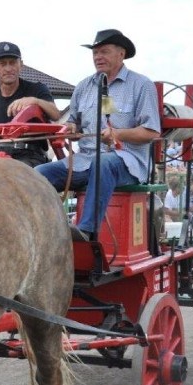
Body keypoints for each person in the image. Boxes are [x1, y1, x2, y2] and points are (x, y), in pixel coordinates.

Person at [35, 29, 161, 239]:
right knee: (39, 173)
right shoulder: (83, 86)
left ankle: (86, 231)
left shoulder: (141, 85)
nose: (97, 57)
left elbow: (151, 132)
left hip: (128, 161)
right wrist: (72, 130)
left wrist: (117, 134)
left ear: (121, 54)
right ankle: (45, 232)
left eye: (104, 51)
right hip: (85, 160)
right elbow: (73, 122)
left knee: (103, 163)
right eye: (95, 53)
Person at [0, 41, 60, 167]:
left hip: (30, 155)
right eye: (2, 63)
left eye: (12, 62)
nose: (8, 68)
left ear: (21, 65)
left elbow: (56, 114)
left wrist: (35, 101)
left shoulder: (37, 90)